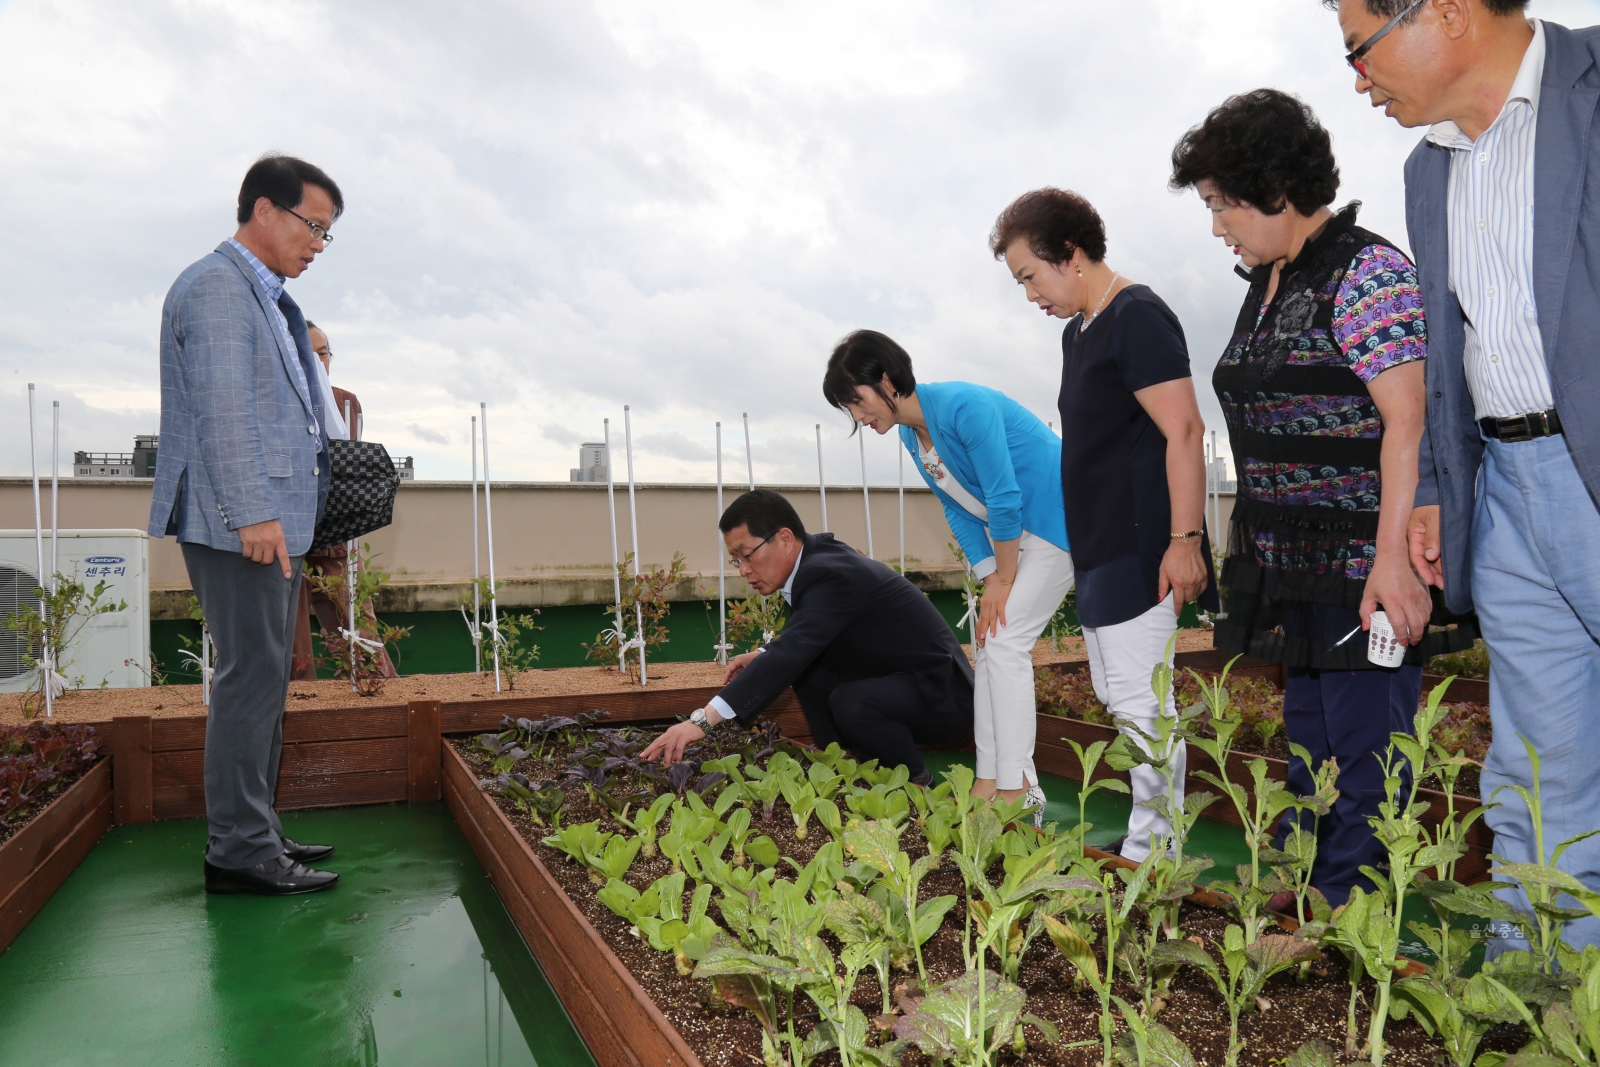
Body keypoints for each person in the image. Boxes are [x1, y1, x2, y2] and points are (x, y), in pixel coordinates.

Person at [1328, 0, 1600, 949]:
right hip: (1509, 488)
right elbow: (1449, 355)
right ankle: (1543, 1012)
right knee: (1535, 779)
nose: (1357, 79)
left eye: (1360, 49)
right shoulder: (1427, 165)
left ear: (1441, 12)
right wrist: (1445, 487)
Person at [1170, 89, 1472, 907]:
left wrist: (1391, 567)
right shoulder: (1267, 281)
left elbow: (1407, 427)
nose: (1216, 225)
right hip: (1289, 560)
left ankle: (1345, 915)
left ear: (1275, 187)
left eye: (1222, 203)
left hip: (1360, 561)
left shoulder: (1368, 273)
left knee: (1368, 742)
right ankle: (1303, 886)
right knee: (1310, 737)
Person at [989, 188, 1217, 862]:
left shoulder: (1137, 316)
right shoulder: (1078, 333)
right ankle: (1151, 836)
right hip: (1096, 548)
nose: (1030, 293)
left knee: (1142, 705)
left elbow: (1184, 428)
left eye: (1031, 275)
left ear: (1073, 253)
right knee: (1119, 696)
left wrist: (1185, 541)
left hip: (1140, 544)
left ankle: (1159, 850)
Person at [146, 154, 344, 896]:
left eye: (328, 233)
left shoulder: (256, 293)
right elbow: (226, 412)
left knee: (263, 678)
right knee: (250, 681)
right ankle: (238, 849)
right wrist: (254, 512)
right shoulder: (219, 290)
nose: (319, 244)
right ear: (266, 210)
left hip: (262, 519)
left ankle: (255, 826)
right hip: (242, 521)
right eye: (314, 225)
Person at [821, 330, 1072, 823]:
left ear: (888, 380)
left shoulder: (963, 406)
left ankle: (1020, 784)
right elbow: (957, 510)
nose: (857, 416)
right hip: (1015, 540)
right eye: (847, 408)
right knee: (988, 645)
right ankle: (986, 779)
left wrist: (1002, 579)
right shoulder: (914, 437)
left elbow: (1003, 496)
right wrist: (988, 577)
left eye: (857, 401)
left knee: (1006, 643)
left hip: (1058, 524)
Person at [640, 489, 974, 783]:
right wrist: (763, 654)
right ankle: (844, 764)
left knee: (849, 700)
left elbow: (796, 647)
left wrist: (702, 721)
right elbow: (810, 635)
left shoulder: (829, 573)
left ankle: (916, 781)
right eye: (735, 560)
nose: (742, 569)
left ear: (784, 538)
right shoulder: (816, 564)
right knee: (807, 670)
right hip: (904, 684)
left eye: (747, 554)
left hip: (945, 698)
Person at [290, 320, 398, 682]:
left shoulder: (345, 402)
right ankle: (299, 708)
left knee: (357, 627)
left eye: (324, 352)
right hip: (283, 530)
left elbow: (347, 461)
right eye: (309, 353)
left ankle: (378, 695)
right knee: (292, 640)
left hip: (335, 532)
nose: (318, 361)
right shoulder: (271, 400)